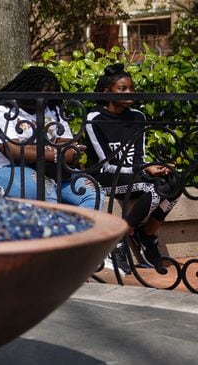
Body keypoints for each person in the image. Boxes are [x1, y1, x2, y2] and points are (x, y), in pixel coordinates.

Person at [85, 63, 181, 274]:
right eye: (122, 89)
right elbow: (106, 164)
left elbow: (139, 156)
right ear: (107, 92)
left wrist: (149, 168)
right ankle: (119, 237)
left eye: (131, 88)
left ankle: (146, 235)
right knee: (153, 188)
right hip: (105, 177)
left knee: (175, 183)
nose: (130, 92)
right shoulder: (94, 119)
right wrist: (144, 171)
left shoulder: (138, 117)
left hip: (133, 175)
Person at [0, 66, 98, 209]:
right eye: (43, 95)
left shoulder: (54, 109)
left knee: (93, 194)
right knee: (45, 193)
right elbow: (15, 152)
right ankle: (53, 231)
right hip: (8, 169)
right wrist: (56, 153)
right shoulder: (3, 110)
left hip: (52, 171)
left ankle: (81, 231)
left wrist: (38, 150)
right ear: (27, 90)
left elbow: (69, 147)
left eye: (50, 95)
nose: (46, 100)